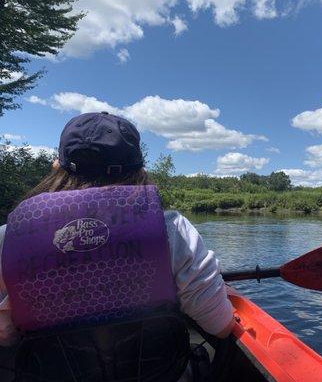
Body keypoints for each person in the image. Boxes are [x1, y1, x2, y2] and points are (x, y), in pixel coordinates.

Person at [0, 111, 235, 379]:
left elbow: (5, 335)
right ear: (140, 171)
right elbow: (221, 327)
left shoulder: (9, 238)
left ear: (57, 166)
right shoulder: (174, 231)